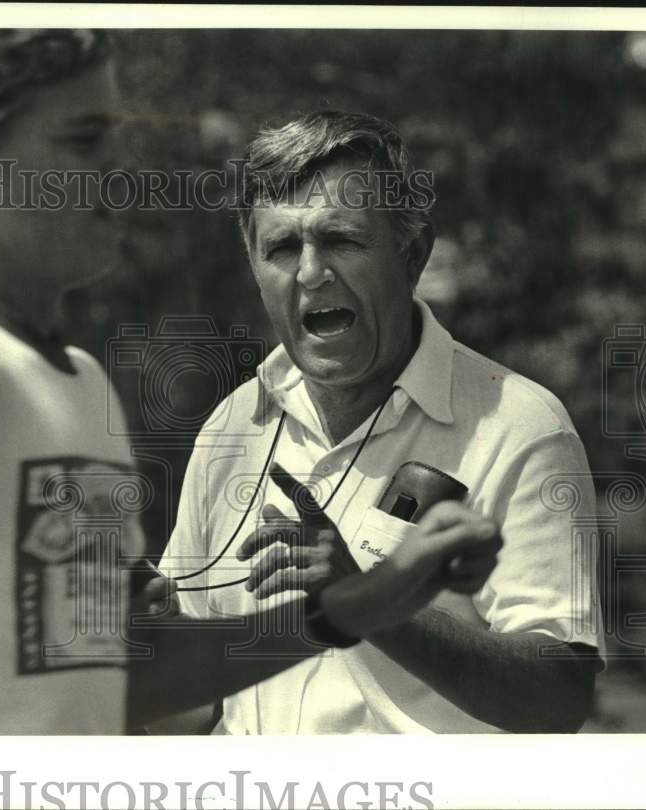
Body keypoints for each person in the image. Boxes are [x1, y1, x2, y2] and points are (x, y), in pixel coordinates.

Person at [0, 33, 501, 736]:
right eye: (83, 140)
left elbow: (124, 681)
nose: (117, 170)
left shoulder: (81, 384)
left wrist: (366, 602)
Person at [159, 110, 605, 734]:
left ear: (413, 255)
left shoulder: (521, 426)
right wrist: (150, 639)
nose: (311, 273)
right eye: (283, 247)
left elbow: (557, 697)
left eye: (342, 239)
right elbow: (191, 715)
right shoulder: (232, 425)